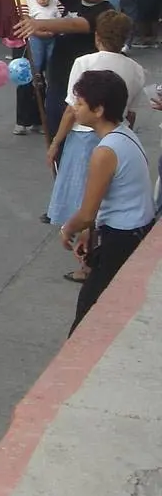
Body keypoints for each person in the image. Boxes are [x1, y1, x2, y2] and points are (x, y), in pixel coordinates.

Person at [47, 12, 148, 278]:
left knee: (85, 196)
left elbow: (71, 110)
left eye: (83, 103)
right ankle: (90, 255)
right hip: (118, 127)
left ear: (97, 36)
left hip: (84, 136)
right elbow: (133, 112)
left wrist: (56, 142)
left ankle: (87, 264)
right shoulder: (136, 70)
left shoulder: (84, 62)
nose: (79, 105)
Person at [62, 71, 155, 334]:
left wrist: (68, 228)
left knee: (87, 318)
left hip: (122, 238)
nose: (75, 108)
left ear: (98, 109)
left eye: (80, 103)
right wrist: (87, 232)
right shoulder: (124, 133)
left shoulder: (105, 152)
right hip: (133, 230)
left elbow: (87, 213)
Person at [12, 0, 117, 140]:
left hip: (80, 91)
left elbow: (75, 24)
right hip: (58, 83)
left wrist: (38, 23)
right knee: (54, 139)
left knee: (69, 143)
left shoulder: (104, 12)